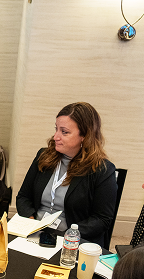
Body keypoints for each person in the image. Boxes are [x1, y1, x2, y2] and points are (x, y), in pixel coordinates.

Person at [16, 102, 117, 247]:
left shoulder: (102, 170)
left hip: (70, 241)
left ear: (85, 136)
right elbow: (23, 197)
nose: (56, 136)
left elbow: (102, 219)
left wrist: (68, 235)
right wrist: (31, 222)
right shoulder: (44, 156)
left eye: (64, 132)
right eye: (56, 129)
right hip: (35, 231)